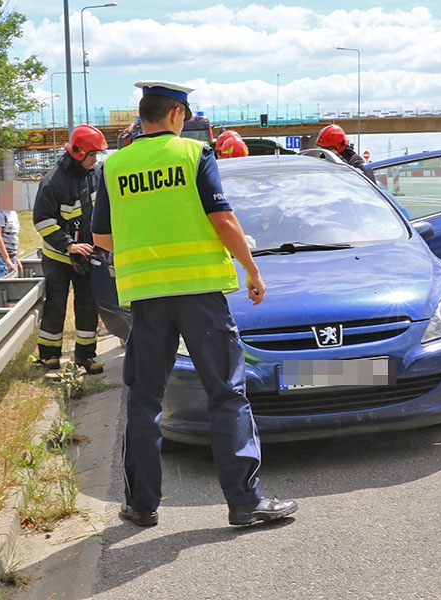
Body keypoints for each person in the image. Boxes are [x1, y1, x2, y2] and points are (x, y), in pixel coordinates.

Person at [93, 81, 298, 527]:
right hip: (200, 295)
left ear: (143, 117)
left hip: (145, 299)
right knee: (226, 393)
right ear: (175, 115)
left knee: (144, 401)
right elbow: (222, 218)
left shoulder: (114, 166)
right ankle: (244, 502)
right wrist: (252, 269)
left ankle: (141, 505)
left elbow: (102, 238)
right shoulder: (193, 155)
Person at [32, 125, 107, 373]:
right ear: (78, 152)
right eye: (92, 155)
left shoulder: (95, 174)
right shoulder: (52, 182)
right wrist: (69, 245)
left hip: (88, 253)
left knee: (88, 304)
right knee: (56, 303)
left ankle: (85, 356)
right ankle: (48, 355)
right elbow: (42, 220)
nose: (96, 160)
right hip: (58, 256)